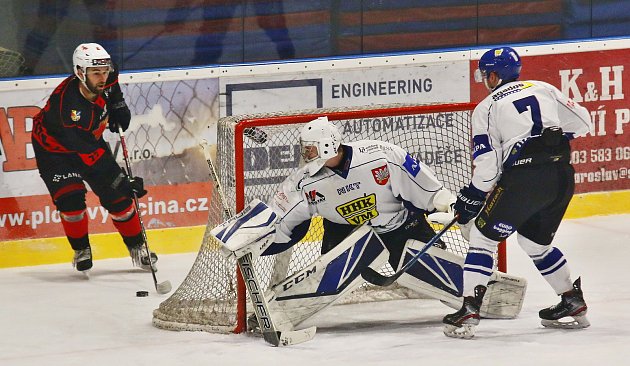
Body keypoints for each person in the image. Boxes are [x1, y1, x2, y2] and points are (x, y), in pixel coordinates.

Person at [219, 116, 460, 331]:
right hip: (346, 234)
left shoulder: (381, 155)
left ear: (328, 145)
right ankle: (277, 312)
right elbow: (280, 219)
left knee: (437, 275)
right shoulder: (305, 182)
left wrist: (446, 204)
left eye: (311, 150)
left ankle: (472, 296)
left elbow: (423, 186)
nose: (307, 155)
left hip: (399, 225)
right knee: (325, 278)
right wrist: (256, 240)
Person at [443, 46, 592, 339]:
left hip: (525, 179)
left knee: (482, 238)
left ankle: (469, 308)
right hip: (561, 175)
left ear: (494, 76)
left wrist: (472, 195)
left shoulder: (486, 107)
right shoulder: (543, 87)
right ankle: (571, 300)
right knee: (534, 243)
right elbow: (583, 122)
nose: (485, 80)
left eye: (486, 75)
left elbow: (487, 166)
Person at [31, 43, 157, 272]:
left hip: (87, 139)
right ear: (80, 72)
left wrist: (118, 106)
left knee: (117, 199)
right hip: (55, 151)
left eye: (104, 71)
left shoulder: (105, 73)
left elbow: (112, 87)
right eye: (96, 73)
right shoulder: (66, 111)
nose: (102, 77)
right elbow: (93, 158)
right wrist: (121, 181)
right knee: (71, 200)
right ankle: (81, 249)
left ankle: (138, 247)